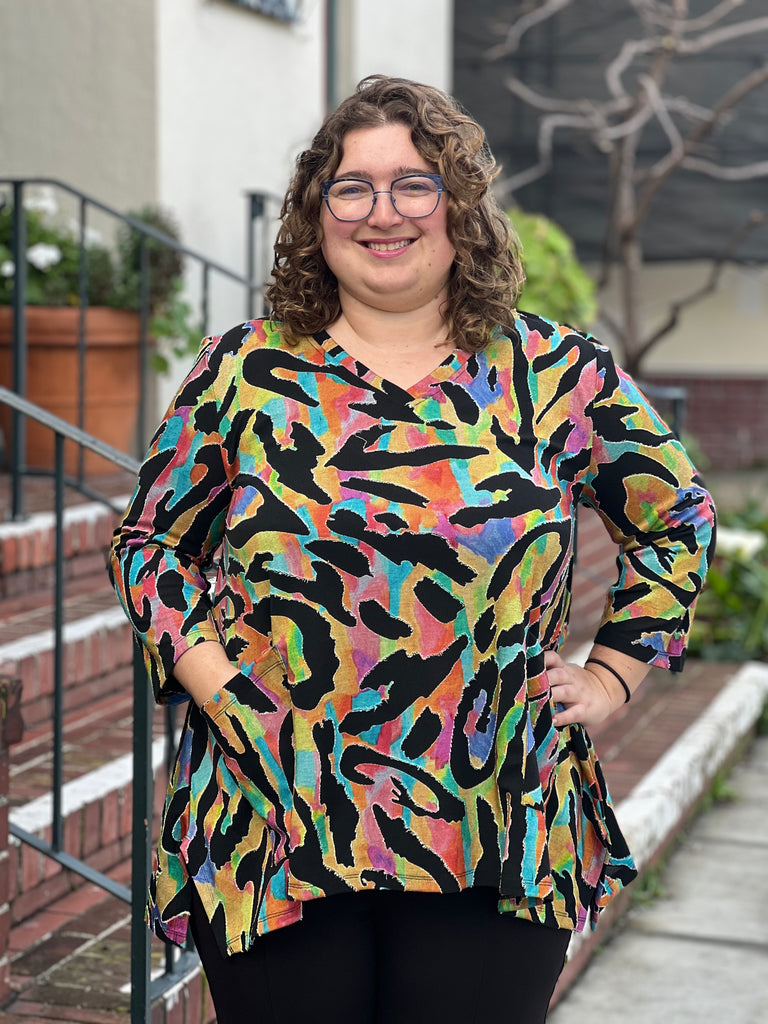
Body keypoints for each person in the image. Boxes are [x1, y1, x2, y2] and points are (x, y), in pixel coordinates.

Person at [109, 75, 716, 1023]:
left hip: (497, 817)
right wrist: (214, 681)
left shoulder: (556, 373)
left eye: (413, 185)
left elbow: (675, 517)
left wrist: (612, 677)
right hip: (277, 812)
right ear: (317, 216)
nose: (382, 213)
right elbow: (152, 543)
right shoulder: (244, 372)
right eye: (351, 188)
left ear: (459, 206)